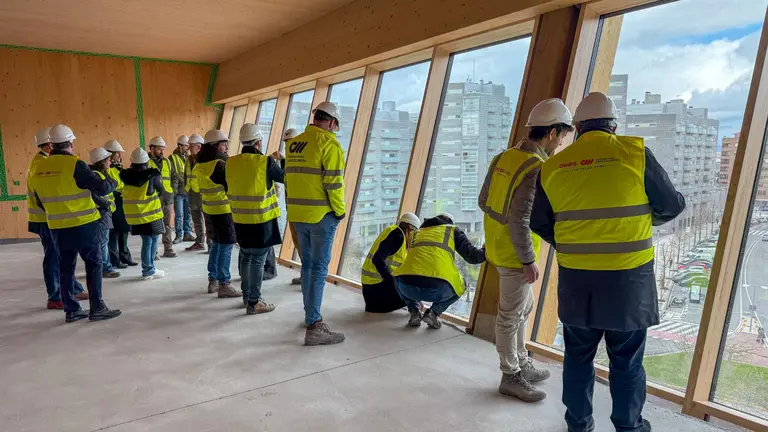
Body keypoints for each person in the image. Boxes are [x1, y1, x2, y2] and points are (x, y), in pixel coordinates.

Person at [530, 92, 685, 432]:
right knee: (627, 362)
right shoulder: (634, 154)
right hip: (628, 282)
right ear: (613, 125)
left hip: (577, 281)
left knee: (578, 357)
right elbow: (672, 205)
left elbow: (540, 222)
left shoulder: (553, 166)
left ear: (578, 127)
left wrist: (573, 240)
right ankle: (629, 427)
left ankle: (578, 425)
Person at [479, 98, 574, 403]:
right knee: (509, 316)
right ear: (551, 132)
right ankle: (511, 376)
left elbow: (484, 201)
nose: (559, 144)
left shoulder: (503, 158)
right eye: (561, 137)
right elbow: (520, 219)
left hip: (497, 246)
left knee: (524, 307)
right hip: (515, 254)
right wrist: (528, 260)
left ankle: (521, 361)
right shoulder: (535, 167)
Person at [28, 124, 121, 322]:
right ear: (70, 143)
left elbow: (39, 200)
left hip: (57, 227)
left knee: (65, 267)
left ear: (51, 145)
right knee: (94, 264)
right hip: (84, 224)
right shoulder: (75, 164)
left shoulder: (38, 167)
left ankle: (71, 309)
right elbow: (102, 188)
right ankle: (97, 307)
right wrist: (112, 181)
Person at [282, 102, 346, 345]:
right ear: (331, 122)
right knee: (318, 269)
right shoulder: (329, 144)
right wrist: (339, 212)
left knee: (307, 266)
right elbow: (334, 184)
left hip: (297, 215)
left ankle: (310, 317)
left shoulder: (295, 143)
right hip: (321, 216)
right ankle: (315, 326)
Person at [26, 127, 88, 309]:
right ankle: (54, 296)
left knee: (64, 256)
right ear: (48, 146)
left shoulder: (45, 161)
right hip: (45, 220)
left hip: (53, 217)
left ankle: (73, 289)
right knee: (53, 257)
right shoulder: (40, 164)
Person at [392, 213, 485, 329]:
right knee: (463, 284)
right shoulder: (452, 230)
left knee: (396, 275)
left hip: (407, 287)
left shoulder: (416, 233)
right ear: (450, 223)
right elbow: (473, 257)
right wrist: (486, 250)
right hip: (437, 289)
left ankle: (414, 311)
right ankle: (433, 313)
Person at [227, 123, 284, 314]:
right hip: (261, 221)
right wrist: (282, 160)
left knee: (245, 255)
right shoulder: (265, 162)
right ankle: (254, 301)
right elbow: (284, 177)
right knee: (258, 260)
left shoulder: (231, 162)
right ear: (259, 142)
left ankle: (246, 296)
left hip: (240, 220)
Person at [194, 129, 240, 298]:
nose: (226, 148)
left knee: (215, 245)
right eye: (223, 144)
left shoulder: (199, 165)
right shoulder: (219, 164)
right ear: (214, 145)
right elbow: (231, 186)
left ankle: (212, 280)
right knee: (226, 245)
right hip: (223, 210)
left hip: (208, 210)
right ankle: (224, 283)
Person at [361, 212, 420, 313]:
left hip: (371, 290)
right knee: (416, 291)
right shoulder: (397, 237)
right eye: (414, 232)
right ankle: (415, 308)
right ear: (409, 228)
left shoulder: (393, 231)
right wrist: (393, 282)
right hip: (377, 290)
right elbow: (377, 259)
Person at [121, 148, 165, 280]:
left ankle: (149, 268)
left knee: (146, 241)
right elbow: (161, 190)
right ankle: (148, 269)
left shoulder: (126, 177)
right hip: (151, 215)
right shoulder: (152, 176)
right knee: (151, 241)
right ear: (147, 161)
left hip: (135, 216)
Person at [104, 139, 137, 269]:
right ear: (110, 154)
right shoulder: (107, 169)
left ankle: (125, 256)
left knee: (123, 231)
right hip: (114, 202)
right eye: (118, 154)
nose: (120, 156)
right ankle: (114, 259)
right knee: (114, 232)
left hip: (122, 201)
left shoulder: (118, 168)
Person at [88, 148, 121, 279]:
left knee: (103, 240)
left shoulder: (100, 174)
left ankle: (104, 266)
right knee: (103, 241)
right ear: (101, 162)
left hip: (105, 211)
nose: (110, 162)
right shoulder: (96, 175)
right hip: (101, 211)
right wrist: (107, 204)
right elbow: (94, 195)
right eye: (107, 160)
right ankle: (105, 268)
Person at [148, 136, 177, 258]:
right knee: (154, 224)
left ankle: (168, 248)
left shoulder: (167, 161)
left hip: (167, 197)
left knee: (167, 224)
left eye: (163, 149)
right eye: (159, 149)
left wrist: (173, 190)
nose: (162, 152)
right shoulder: (145, 162)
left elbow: (174, 177)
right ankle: (153, 251)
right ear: (152, 148)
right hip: (153, 199)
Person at [281, 128, 302, 286]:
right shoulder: (289, 161)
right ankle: (305, 274)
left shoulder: (301, 160)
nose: (288, 145)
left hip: (304, 210)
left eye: (290, 142)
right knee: (299, 243)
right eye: (286, 143)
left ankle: (309, 276)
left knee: (305, 244)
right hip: (292, 208)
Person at [185, 133, 207, 252]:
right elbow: (186, 174)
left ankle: (211, 243)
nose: (189, 148)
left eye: (191, 146)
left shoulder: (205, 159)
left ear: (199, 146)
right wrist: (186, 188)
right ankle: (199, 242)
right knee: (196, 219)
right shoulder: (189, 159)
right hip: (192, 192)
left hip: (203, 193)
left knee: (207, 219)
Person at [170, 135, 194, 244]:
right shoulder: (172, 158)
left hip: (188, 190)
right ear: (179, 145)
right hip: (179, 192)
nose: (187, 148)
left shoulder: (189, 157)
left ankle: (187, 233)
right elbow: (173, 174)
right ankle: (179, 235)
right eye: (186, 146)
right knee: (179, 214)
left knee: (187, 214)